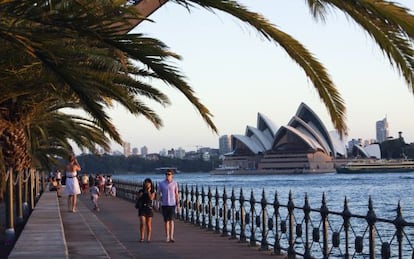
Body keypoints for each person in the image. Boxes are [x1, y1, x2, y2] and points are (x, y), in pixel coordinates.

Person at [157, 170, 179, 243]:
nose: (167, 176)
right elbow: (158, 193)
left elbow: (176, 194)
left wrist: (178, 204)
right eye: (166, 174)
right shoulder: (161, 183)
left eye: (169, 174)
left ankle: (172, 236)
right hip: (165, 204)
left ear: (172, 175)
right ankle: (167, 236)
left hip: (172, 204)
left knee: (171, 220)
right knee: (166, 221)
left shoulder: (174, 183)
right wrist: (157, 203)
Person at [136, 178, 155, 242]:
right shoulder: (141, 191)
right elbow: (137, 198)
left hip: (149, 208)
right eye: (146, 183)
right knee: (142, 223)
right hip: (142, 208)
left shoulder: (152, 191)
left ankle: (148, 238)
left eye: (148, 183)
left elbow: (151, 198)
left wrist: (149, 191)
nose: (147, 184)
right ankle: (142, 237)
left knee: (148, 224)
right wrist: (139, 195)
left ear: (150, 184)